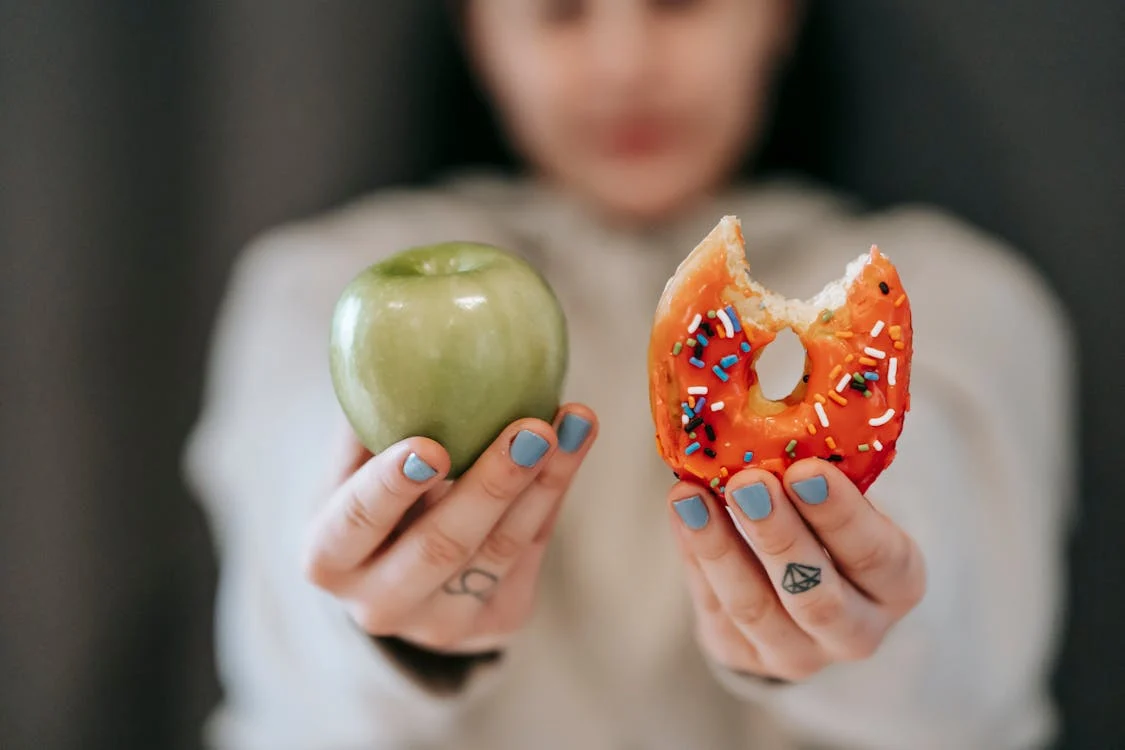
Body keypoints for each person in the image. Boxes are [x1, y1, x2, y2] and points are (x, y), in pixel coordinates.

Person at [184, 1, 1074, 748]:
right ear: (476, 30)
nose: (623, 63)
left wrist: (864, 615)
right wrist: (382, 625)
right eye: (558, 9)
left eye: (679, 0)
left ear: (778, 15)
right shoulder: (312, 285)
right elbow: (283, 621)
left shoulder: (960, 293)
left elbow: (966, 615)